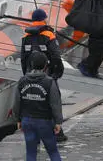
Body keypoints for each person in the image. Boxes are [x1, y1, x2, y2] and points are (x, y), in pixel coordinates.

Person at [20, 8, 67, 143]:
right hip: (47, 75)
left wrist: (26, 74)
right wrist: (58, 72)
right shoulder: (49, 35)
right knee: (53, 101)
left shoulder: (25, 37)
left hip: (30, 75)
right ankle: (57, 133)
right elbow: (56, 55)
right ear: (43, 19)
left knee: (34, 102)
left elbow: (23, 58)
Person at [13, 52, 63, 161]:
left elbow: (17, 102)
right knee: (53, 151)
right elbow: (55, 104)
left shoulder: (22, 81)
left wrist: (18, 119)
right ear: (46, 66)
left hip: (27, 121)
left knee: (31, 152)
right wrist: (58, 121)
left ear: (31, 64)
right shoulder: (49, 82)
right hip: (44, 122)